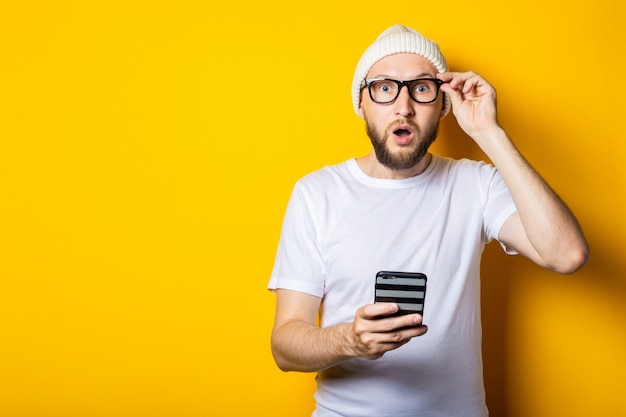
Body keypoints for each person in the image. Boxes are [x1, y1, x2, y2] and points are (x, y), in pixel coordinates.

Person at [267, 24, 589, 417]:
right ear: (361, 103)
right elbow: (285, 346)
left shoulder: (475, 183)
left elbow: (567, 255)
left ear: (442, 103)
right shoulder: (316, 194)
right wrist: (349, 340)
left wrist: (489, 133)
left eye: (421, 88)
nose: (403, 107)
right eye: (385, 88)